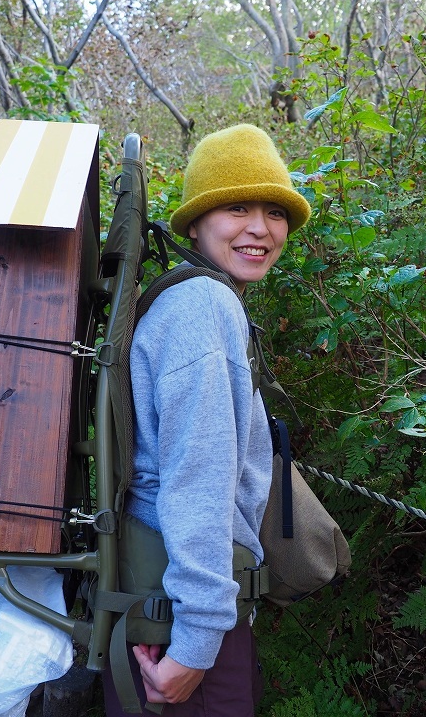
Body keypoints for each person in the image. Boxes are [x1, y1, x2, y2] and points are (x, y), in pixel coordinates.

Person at [102, 124, 311, 716]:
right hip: (180, 617)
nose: (260, 228)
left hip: (158, 597)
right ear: (195, 223)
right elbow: (196, 485)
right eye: (236, 208)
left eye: (274, 211)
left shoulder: (182, 298)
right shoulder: (205, 309)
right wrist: (195, 646)